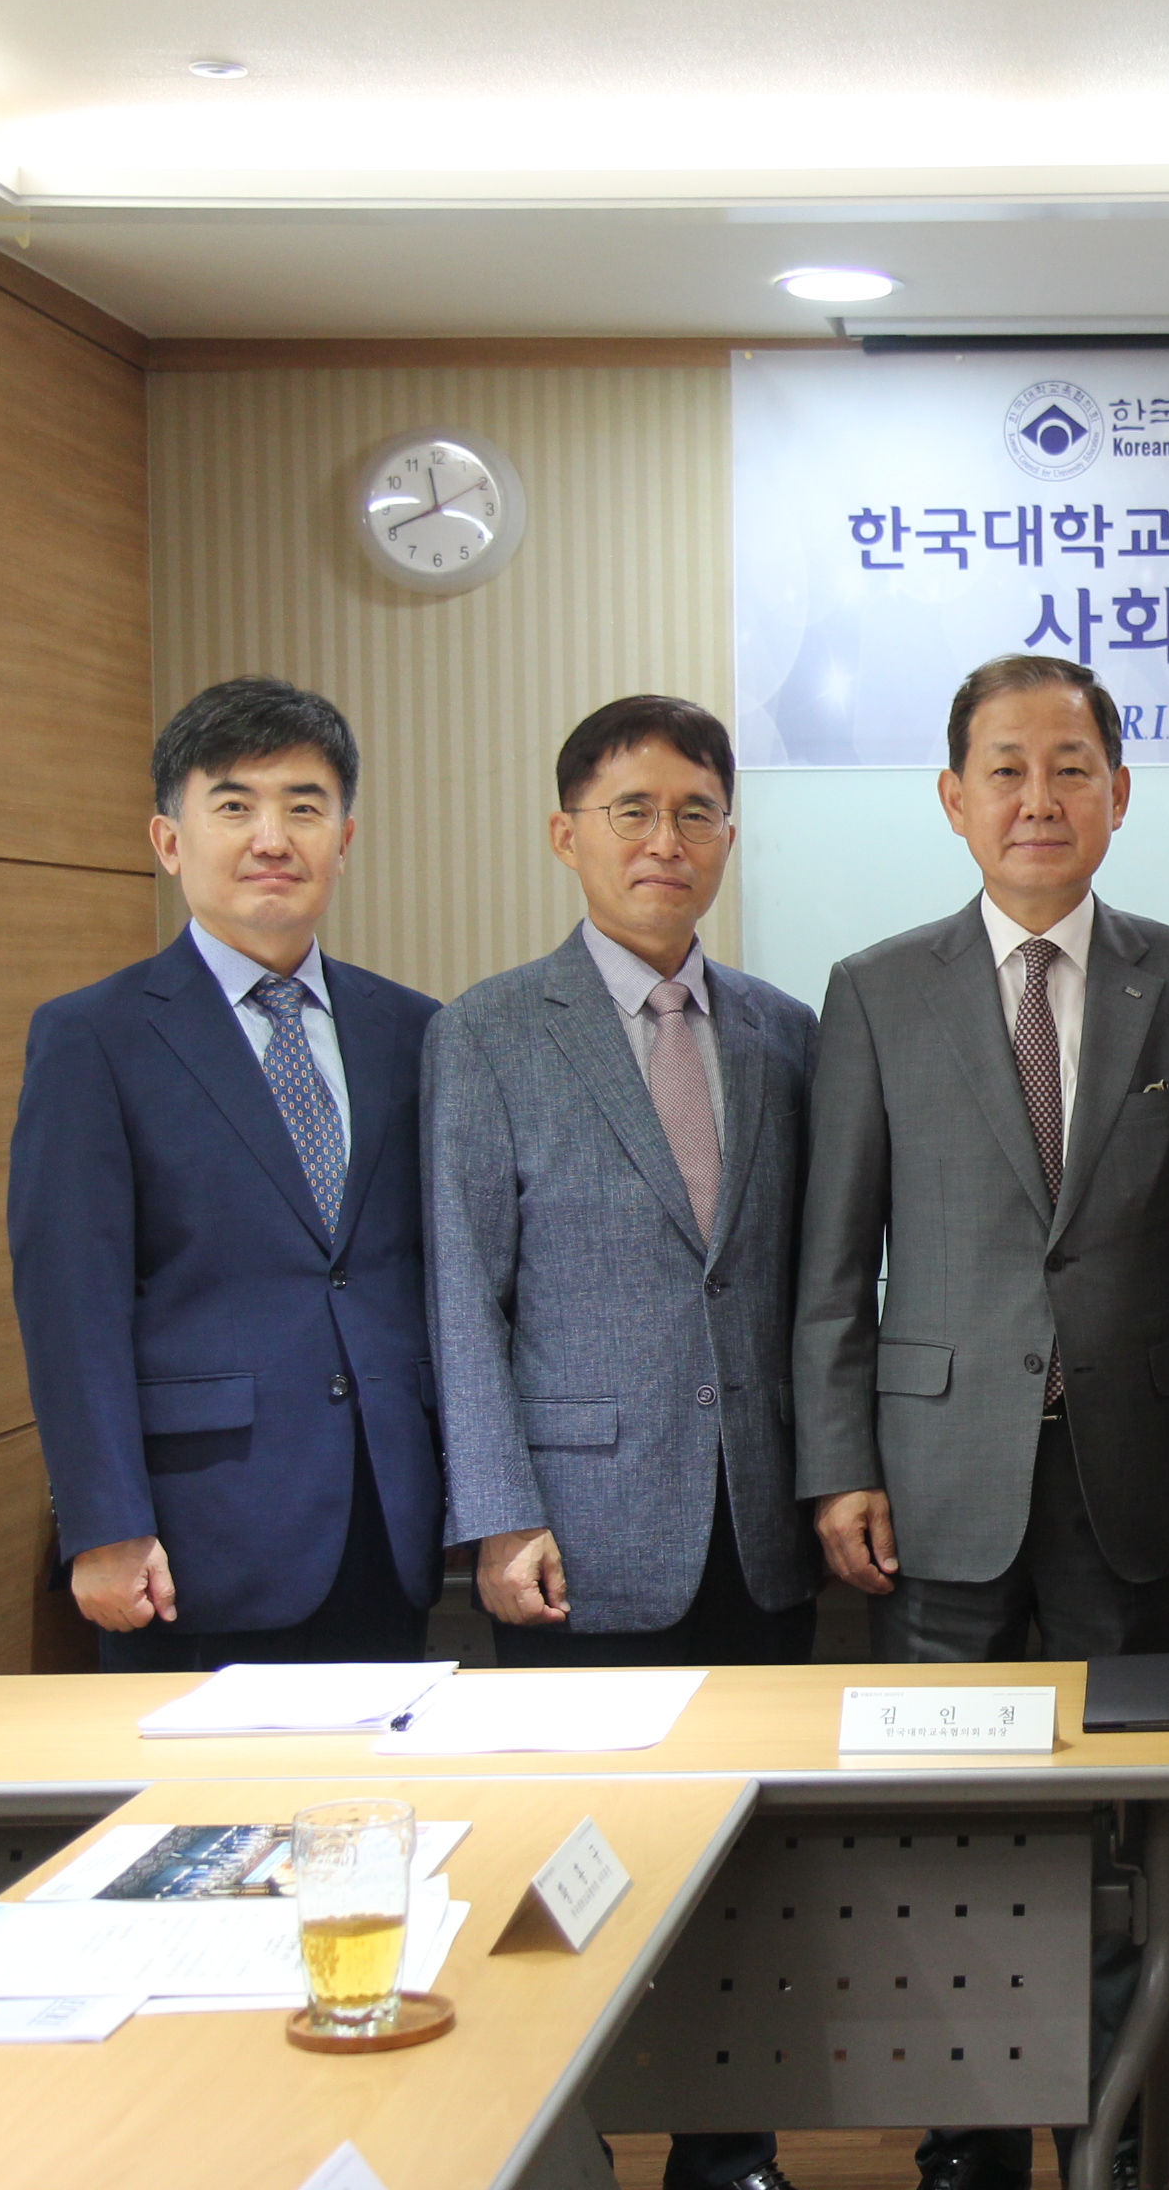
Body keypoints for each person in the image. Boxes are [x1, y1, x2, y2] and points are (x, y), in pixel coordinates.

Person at [792, 652, 1169, 2190]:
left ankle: (1120, 2149)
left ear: (1120, 795)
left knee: (1134, 1837)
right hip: (934, 1481)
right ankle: (971, 2152)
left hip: (1137, 1480)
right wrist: (839, 1465)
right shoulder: (876, 989)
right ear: (953, 798)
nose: (1039, 798)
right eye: (1006, 768)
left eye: (1072, 768)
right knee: (952, 1834)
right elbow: (834, 1263)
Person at [425, 693, 817, 2190]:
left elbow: (813, 1283)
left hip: (760, 1520)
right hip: (575, 1532)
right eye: (632, 812)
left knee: (749, 1860)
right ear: (565, 834)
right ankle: (561, 2148)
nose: (666, 841)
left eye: (695, 812)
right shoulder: (488, 1032)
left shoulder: (784, 1030)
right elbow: (464, 1294)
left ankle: (732, 2154)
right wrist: (497, 1514)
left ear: (729, 834)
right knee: (567, 1869)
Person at [9, 677, 443, 1672]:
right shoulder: (93, 1037)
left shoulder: (414, 1030)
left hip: (387, 1519)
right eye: (235, 806)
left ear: (345, 838)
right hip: (189, 1538)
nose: (272, 838)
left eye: (304, 807)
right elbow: (70, 1305)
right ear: (170, 841)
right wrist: (103, 1523)